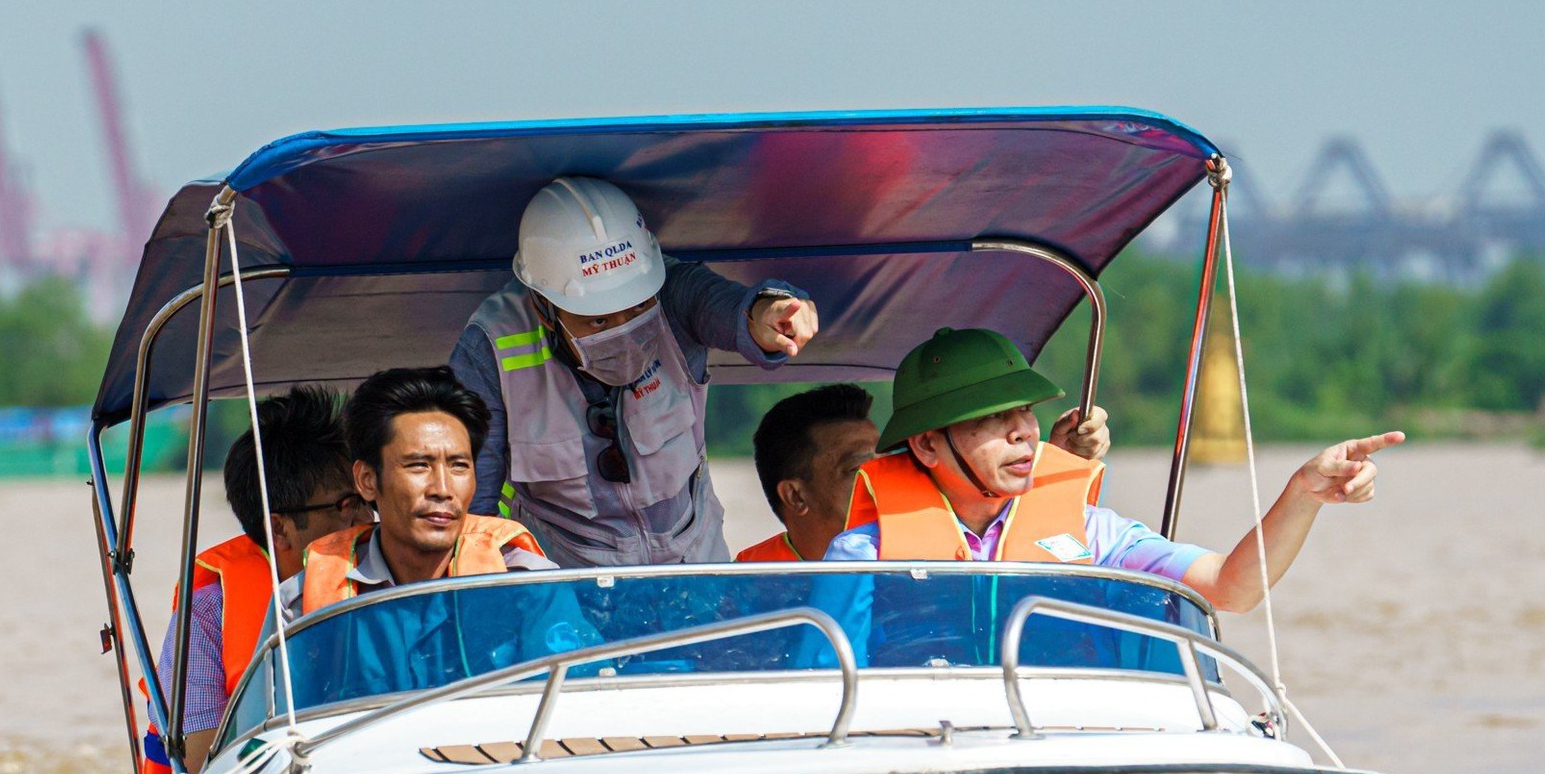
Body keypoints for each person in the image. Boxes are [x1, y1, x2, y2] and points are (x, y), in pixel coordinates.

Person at [826, 326, 1403, 613]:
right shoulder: (860, 558)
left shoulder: (1095, 534)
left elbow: (1232, 588)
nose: (1024, 430)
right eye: (994, 418)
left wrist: (1302, 492)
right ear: (928, 445)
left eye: (1025, 410)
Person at [449, 176, 820, 567]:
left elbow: (736, 309)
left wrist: (770, 312)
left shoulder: (675, 294)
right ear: (544, 306)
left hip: (692, 568)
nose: (624, 330)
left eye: (638, 307)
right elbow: (475, 509)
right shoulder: (489, 348)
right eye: (598, 320)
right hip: (564, 585)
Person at [130, 386, 365, 774]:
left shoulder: (392, 572)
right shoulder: (208, 616)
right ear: (279, 529)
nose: (367, 519)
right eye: (345, 505)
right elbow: (206, 769)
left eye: (366, 496)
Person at [278, 367, 554, 620]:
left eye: (459, 466)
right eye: (419, 465)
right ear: (367, 480)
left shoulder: (530, 586)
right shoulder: (301, 604)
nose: (443, 490)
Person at [739, 383, 1114, 563]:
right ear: (796, 496)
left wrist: (1056, 463)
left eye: (885, 461)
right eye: (859, 468)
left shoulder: (974, 545)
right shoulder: (748, 588)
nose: (880, 477)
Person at [739, 384, 880, 562]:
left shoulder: (917, 561)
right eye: (859, 469)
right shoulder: (745, 583)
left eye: (884, 465)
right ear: (795, 496)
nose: (884, 480)